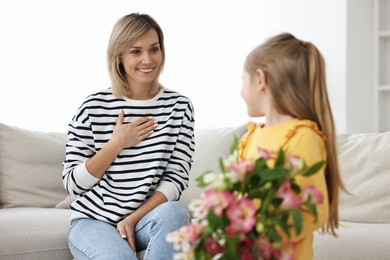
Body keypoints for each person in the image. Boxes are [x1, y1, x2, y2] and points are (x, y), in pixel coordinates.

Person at [62, 13, 195, 260]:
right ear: (119, 56)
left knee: (176, 212)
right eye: (136, 51)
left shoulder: (179, 107)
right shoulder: (93, 107)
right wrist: (116, 144)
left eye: (154, 49)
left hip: (144, 218)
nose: (148, 59)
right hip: (93, 221)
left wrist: (133, 219)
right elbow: (72, 184)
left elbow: (176, 178)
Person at [239, 33, 347, 259]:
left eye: (243, 80)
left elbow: (312, 210)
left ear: (260, 79)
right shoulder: (251, 137)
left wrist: (259, 235)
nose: (240, 91)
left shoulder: (302, 137)